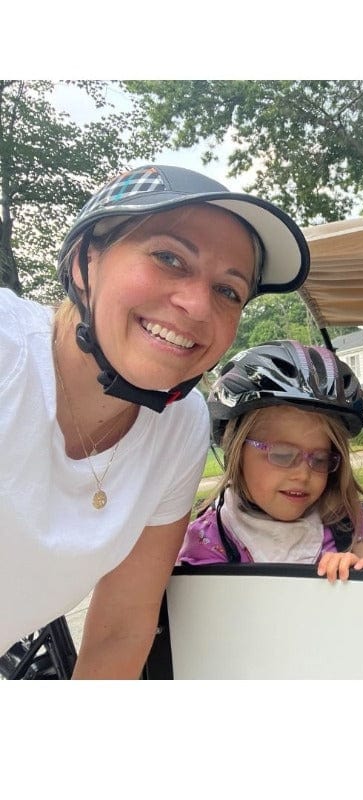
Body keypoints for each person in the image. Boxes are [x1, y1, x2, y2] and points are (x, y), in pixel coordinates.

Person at [0, 164, 310, 678]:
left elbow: (121, 629)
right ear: (85, 261)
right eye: (169, 258)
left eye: (229, 291)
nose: (195, 305)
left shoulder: (179, 426)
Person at [178, 340, 363, 580]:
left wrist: (360, 575)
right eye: (282, 455)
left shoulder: (343, 524)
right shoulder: (209, 542)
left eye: (320, 459)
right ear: (236, 452)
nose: (303, 474)